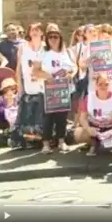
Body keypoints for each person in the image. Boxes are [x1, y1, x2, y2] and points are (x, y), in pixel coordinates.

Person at [35, 24, 77, 154]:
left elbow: (74, 67)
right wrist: (47, 76)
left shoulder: (67, 52)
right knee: (48, 118)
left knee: (61, 118)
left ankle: (61, 141)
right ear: (47, 39)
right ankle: (46, 144)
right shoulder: (42, 52)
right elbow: (35, 71)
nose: (53, 39)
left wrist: (71, 74)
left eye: (56, 36)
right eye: (51, 37)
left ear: (60, 38)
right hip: (48, 91)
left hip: (64, 90)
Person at [74, 73, 112, 156]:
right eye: (100, 84)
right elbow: (82, 118)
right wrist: (88, 128)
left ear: (109, 84)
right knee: (77, 134)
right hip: (94, 127)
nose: (103, 87)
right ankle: (93, 143)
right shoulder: (89, 98)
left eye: (106, 84)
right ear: (96, 85)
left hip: (110, 127)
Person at [14, 22, 46, 144]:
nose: (34, 31)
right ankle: (28, 140)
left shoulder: (46, 47)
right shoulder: (23, 47)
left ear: (42, 32)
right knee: (27, 115)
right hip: (28, 86)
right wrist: (19, 85)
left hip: (43, 86)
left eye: (37, 29)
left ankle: (41, 138)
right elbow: (18, 68)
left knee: (41, 115)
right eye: (32, 29)